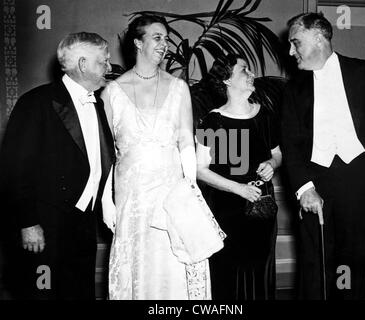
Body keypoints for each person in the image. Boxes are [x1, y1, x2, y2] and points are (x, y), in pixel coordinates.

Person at [281, 12, 365, 299]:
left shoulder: (363, 71)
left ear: (318, 37)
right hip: (314, 184)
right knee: (314, 263)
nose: (290, 51)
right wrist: (304, 188)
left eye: (296, 43)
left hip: (358, 182)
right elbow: (290, 144)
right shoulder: (293, 89)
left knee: (352, 262)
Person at [101, 14, 211, 300]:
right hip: (132, 194)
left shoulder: (178, 88)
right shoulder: (111, 92)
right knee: (137, 263)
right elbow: (107, 152)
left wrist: (191, 189)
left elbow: (187, 141)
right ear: (138, 42)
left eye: (167, 39)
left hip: (169, 188)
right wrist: (105, 199)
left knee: (172, 260)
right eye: (157, 37)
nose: (165, 45)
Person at [0, 32, 114, 299]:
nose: (109, 68)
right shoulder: (36, 102)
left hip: (82, 222)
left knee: (79, 292)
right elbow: (14, 169)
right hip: (45, 225)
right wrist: (28, 223)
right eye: (103, 62)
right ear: (83, 64)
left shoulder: (97, 104)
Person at [196, 54, 282, 300]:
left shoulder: (265, 115)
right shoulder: (212, 120)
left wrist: (271, 163)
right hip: (226, 209)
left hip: (261, 206)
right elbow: (199, 169)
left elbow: (278, 154)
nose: (251, 74)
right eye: (244, 69)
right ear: (226, 79)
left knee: (260, 266)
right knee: (228, 271)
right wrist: (237, 188)